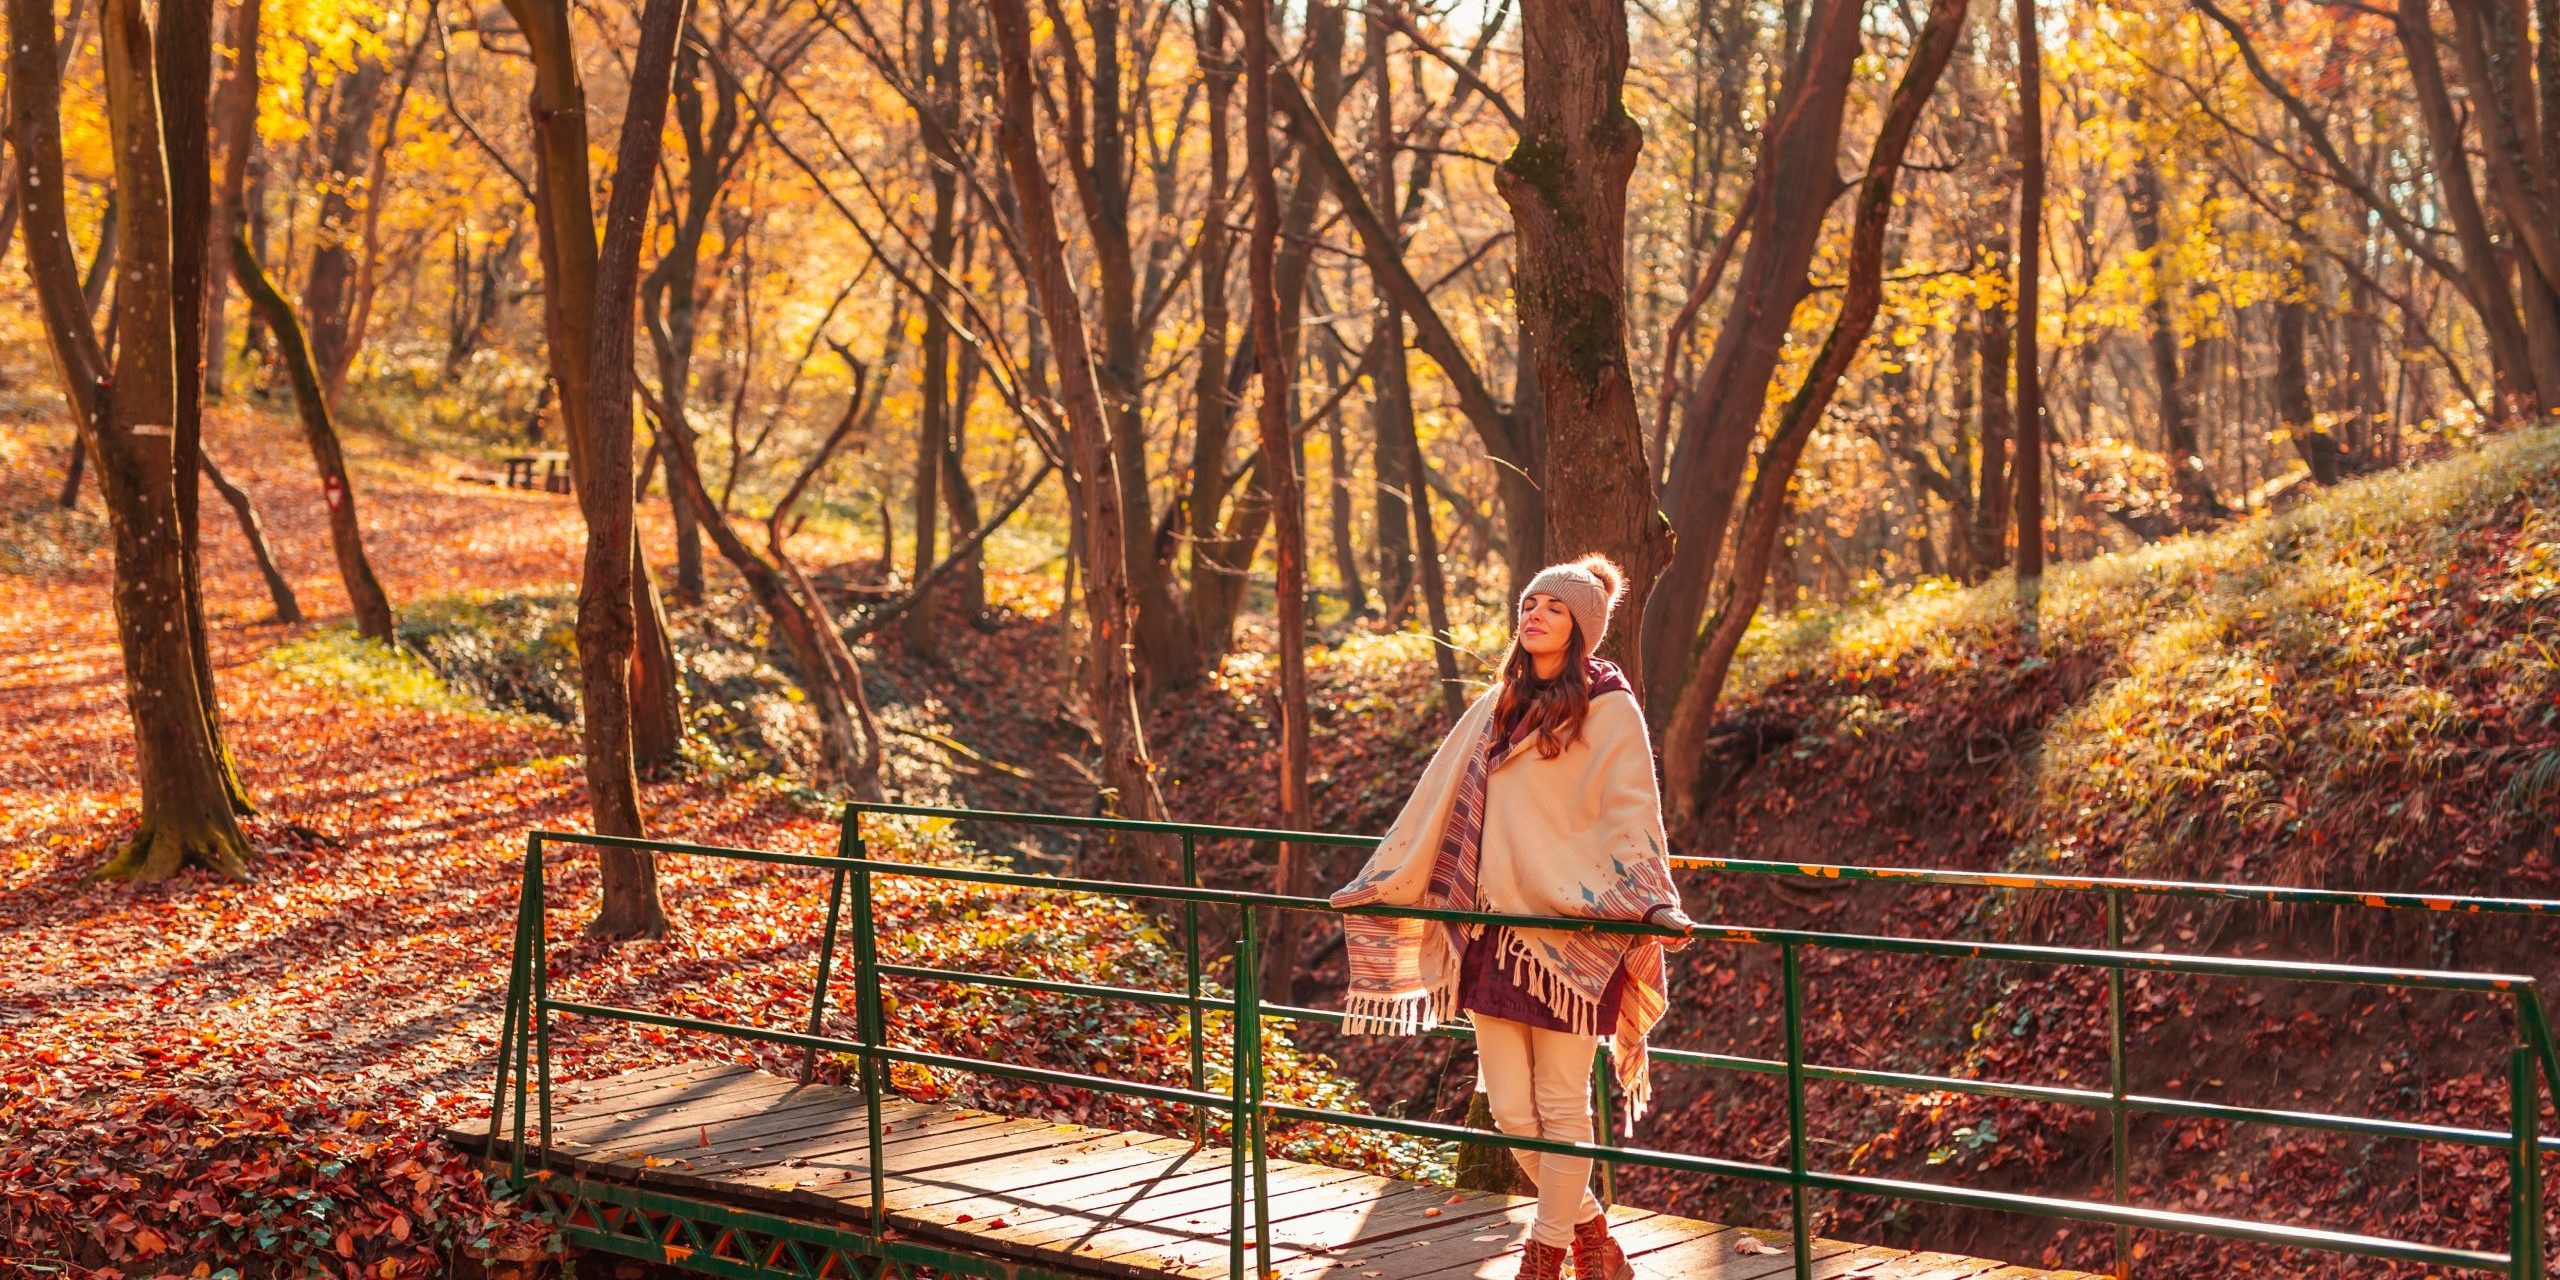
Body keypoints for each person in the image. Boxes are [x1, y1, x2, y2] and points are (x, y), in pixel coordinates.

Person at [1330, 553, 1696, 1280]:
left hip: (1570, 939)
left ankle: (1546, 1254)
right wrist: (1384, 879)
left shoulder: (1611, 708)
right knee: (1510, 1115)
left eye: (1552, 608)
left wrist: (1654, 900)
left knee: (1561, 1108)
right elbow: (1436, 800)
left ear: (1581, 628)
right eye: (1529, 603)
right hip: (1493, 933)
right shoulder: (1496, 703)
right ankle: (1593, 1236)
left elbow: (1633, 815)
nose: (1533, 615)